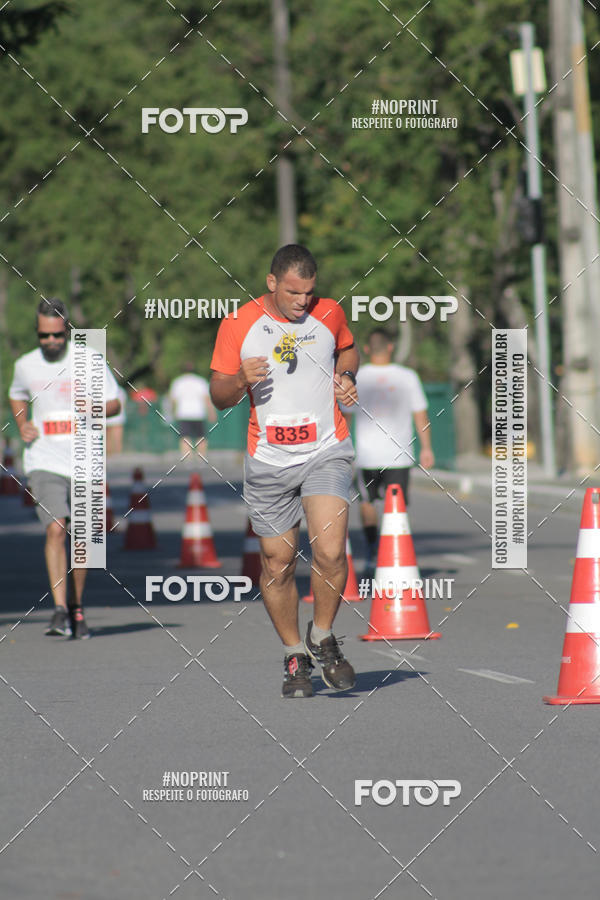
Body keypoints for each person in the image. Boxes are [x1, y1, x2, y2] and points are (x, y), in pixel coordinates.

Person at [210, 244, 359, 698]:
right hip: (269, 460)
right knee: (278, 563)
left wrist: (347, 378)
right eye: (293, 292)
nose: (302, 301)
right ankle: (295, 655)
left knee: (330, 551)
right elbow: (218, 395)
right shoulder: (238, 323)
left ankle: (323, 634)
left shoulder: (329, 312)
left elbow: (347, 350)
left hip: (325, 449)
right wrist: (240, 379)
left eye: (309, 292)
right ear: (272, 282)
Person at [8, 298, 120, 638]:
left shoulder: (89, 360)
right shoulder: (25, 365)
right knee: (57, 528)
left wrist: (95, 406)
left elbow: (116, 404)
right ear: (37, 333)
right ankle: (58, 610)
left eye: (57, 335)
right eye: (44, 336)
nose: (51, 341)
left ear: (67, 331)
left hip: (85, 459)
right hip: (44, 459)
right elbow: (16, 394)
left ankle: (76, 606)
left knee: (83, 537)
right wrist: (22, 423)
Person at [346, 328, 434, 576]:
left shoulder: (357, 377)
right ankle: (396, 554)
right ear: (391, 347)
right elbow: (421, 416)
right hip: (400, 456)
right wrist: (426, 448)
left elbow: (345, 417)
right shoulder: (408, 376)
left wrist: (342, 450)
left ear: (366, 349)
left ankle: (373, 550)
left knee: (367, 502)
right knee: (397, 506)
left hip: (366, 456)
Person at [168, 362, 217, 459]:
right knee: (201, 436)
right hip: (198, 413)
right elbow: (206, 399)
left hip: (183, 413)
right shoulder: (200, 381)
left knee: (185, 437)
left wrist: (172, 412)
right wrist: (211, 412)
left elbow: (173, 400)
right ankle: (201, 458)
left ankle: (187, 459)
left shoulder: (178, 382)